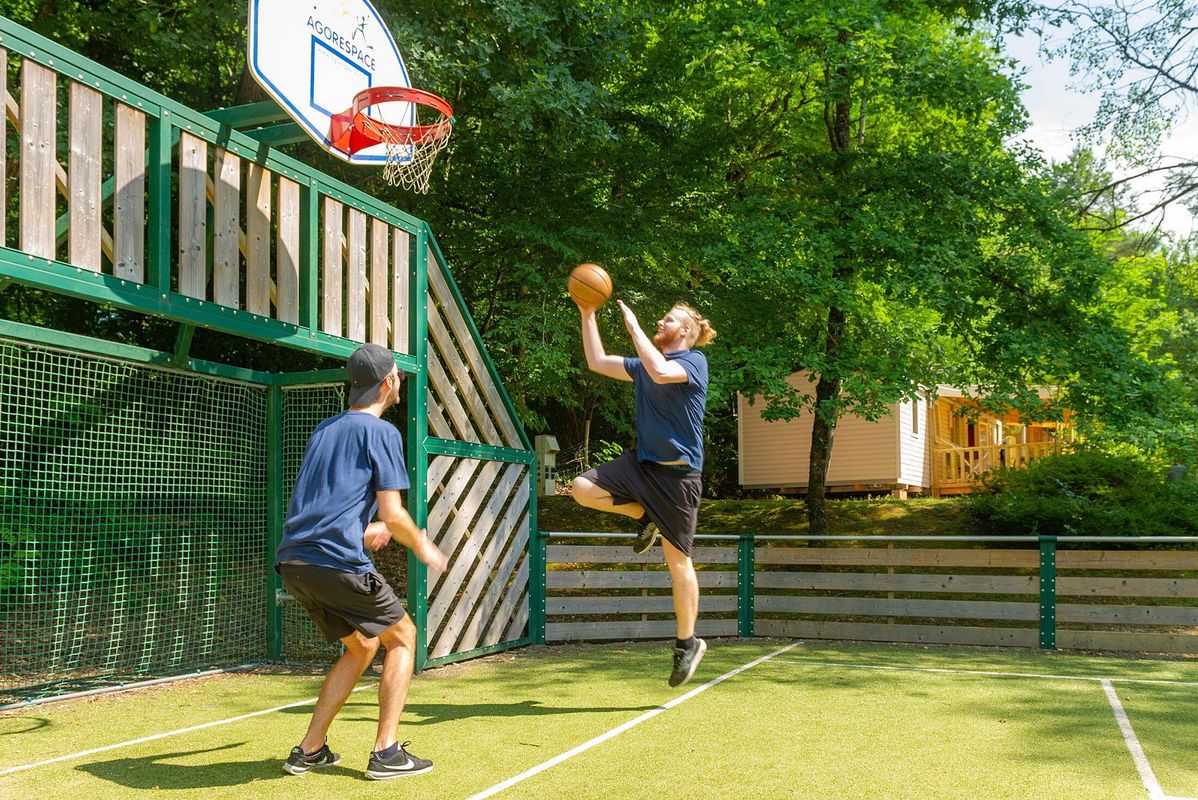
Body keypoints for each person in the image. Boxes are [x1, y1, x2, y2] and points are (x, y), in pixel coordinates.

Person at [275, 343, 448, 780]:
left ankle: (310, 750)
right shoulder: (382, 432)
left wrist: (366, 525)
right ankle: (387, 753)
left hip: (295, 560)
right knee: (403, 637)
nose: (401, 383)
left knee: (363, 645)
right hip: (334, 560)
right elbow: (394, 512)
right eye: (399, 377)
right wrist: (422, 545)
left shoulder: (325, 430)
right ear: (388, 383)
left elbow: (326, 500)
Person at [571, 296, 716, 687]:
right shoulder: (644, 365)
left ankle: (687, 643)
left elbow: (661, 370)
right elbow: (597, 361)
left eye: (668, 318)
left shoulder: (692, 363)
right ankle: (644, 516)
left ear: (684, 331)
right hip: (642, 465)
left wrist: (633, 327)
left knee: (678, 563)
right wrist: (588, 315)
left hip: (678, 477)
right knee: (582, 488)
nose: (660, 320)